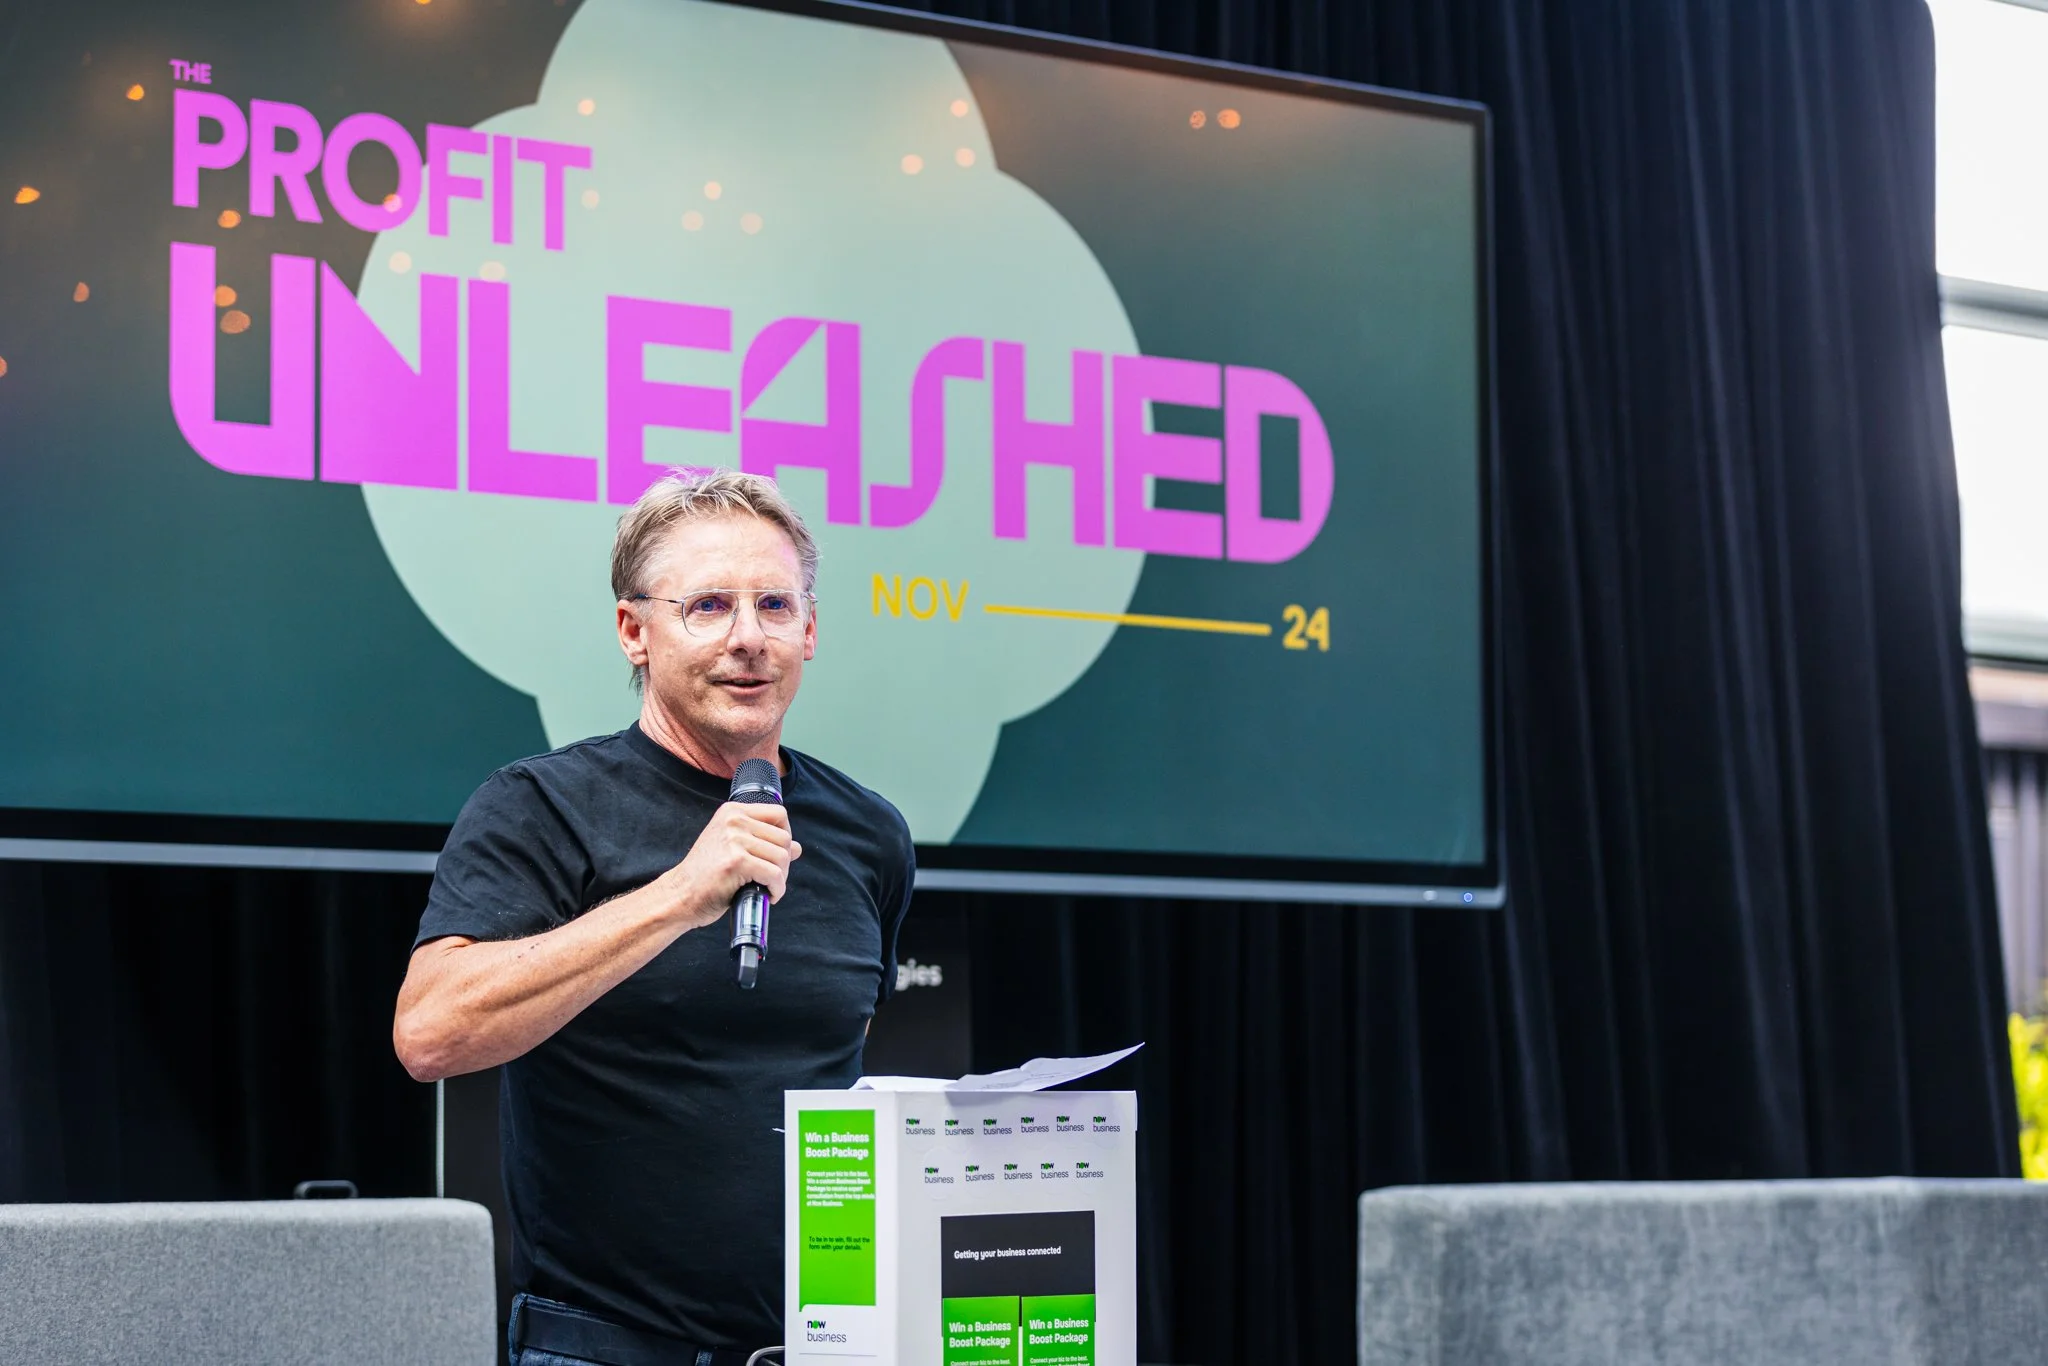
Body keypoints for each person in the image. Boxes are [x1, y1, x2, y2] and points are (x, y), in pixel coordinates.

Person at [393, 469, 914, 1366]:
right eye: (709, 606)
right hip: (605, 1351)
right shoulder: (540, 808)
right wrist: (680, 896)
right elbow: (431, 1034)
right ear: (636, 631)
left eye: (775, 607)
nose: (748, 638)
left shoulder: (870, 833)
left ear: (811, 630)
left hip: (830, 1347)